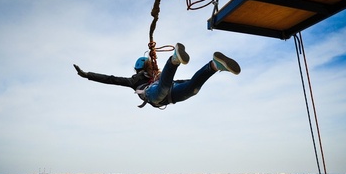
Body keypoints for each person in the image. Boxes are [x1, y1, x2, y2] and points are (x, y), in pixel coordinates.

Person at [73, 43, 241, 108]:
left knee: (192, 89)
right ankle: (180, 61)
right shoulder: (135, 81)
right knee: (169, 87)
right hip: (158, 95)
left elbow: (110, 79)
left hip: (164, 93)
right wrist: (87, 74)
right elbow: (110, 79)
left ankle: (213, 65)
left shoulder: (156, 74)